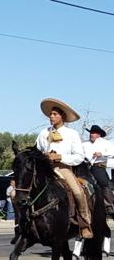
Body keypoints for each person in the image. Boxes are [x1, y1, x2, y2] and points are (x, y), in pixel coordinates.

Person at [35, 98, 92, 239]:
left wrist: (60, 157)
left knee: (78, 192)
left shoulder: (72, 134)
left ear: (63, 117)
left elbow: (79, 156)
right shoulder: (43, 133)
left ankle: (84, 224)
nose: (51, 117)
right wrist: (43, 156)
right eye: (50, 114)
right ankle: (23, 222)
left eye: (55, 114)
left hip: (63, 169)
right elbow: (36, 150)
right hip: (44, 169)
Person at [83, 124, 114, 209]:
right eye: (91, 132)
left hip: (98, 166)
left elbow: (112, 153)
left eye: (94, 133)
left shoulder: (105, 143)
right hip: (86, 166)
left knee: (103, 182)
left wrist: (102, 154)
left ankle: (109, 205)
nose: (91, 134)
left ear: (99, 134)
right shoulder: (84, 144)